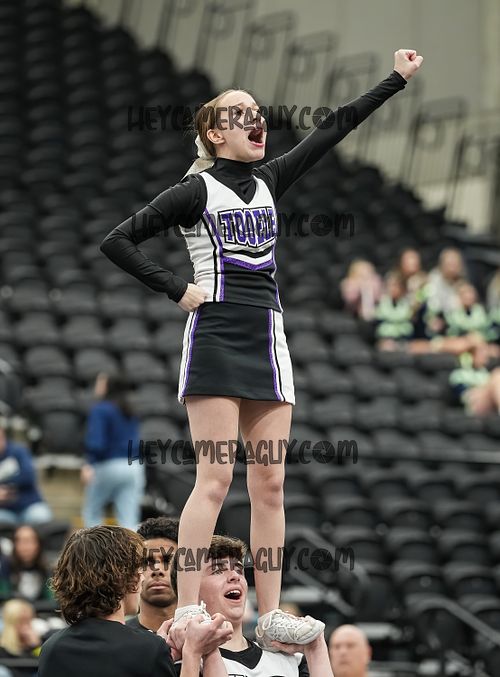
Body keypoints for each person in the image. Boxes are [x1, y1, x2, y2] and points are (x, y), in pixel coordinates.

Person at [100, 49, 423, 648]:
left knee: (271, 482)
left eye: (257, 111)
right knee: (215, 479)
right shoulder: (193, 191)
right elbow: (117, 240)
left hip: (268, 340)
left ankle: (270, 613)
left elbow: (333, 129)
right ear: (214, 133)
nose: (256, 119)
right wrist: (176, 288)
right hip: (217, 336)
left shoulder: (271, 178)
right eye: (240, 113)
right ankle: (187, 609)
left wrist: (395, 80)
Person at [38, 525, 232, 677]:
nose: (143, 577)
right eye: (139, 568)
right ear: (125, 577)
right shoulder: (148, 648)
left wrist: (159, 651)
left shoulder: (51, 648)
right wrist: (192, 652)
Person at [169, 534, 332, 677]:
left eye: (239, 570)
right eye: (217, 570)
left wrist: (315, 648)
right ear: (190, 590)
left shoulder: (291, 660)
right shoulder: (183, 661)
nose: (234, 576)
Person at [81, 373, 145, 530]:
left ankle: (95, 546)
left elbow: (96, 442)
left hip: (108, 465)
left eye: (100, 382)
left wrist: (89, 463)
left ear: (107, 386)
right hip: (134, 466)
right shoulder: (129, 410)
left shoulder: (101, 409)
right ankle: (132, 546)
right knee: (129, 520)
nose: (96, 386)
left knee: (92, 514)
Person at [127, 516, 179, 633]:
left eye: (168, 560)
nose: (157, 570)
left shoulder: (212, 635)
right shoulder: (117, 638)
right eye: (146, 562)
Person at [0, 426, 52, 526]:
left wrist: (6, 487)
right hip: (4, 511)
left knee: (42, 517)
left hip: (28, 506)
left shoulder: (18, 451)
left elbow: (28, 476)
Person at [0, 525, 54, 603]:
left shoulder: (46, 567)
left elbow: (52, 600)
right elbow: (3, 596)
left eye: (29, 541)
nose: (25, 547)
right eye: (20, 541)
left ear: (39, 544)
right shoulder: (5, 566)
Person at [0, 598, 41, 677]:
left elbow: (43, 664)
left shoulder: (35, 642)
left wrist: (35, 646)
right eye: (22, 621)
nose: (26, 626)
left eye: (28, 621)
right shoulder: (3, 648)